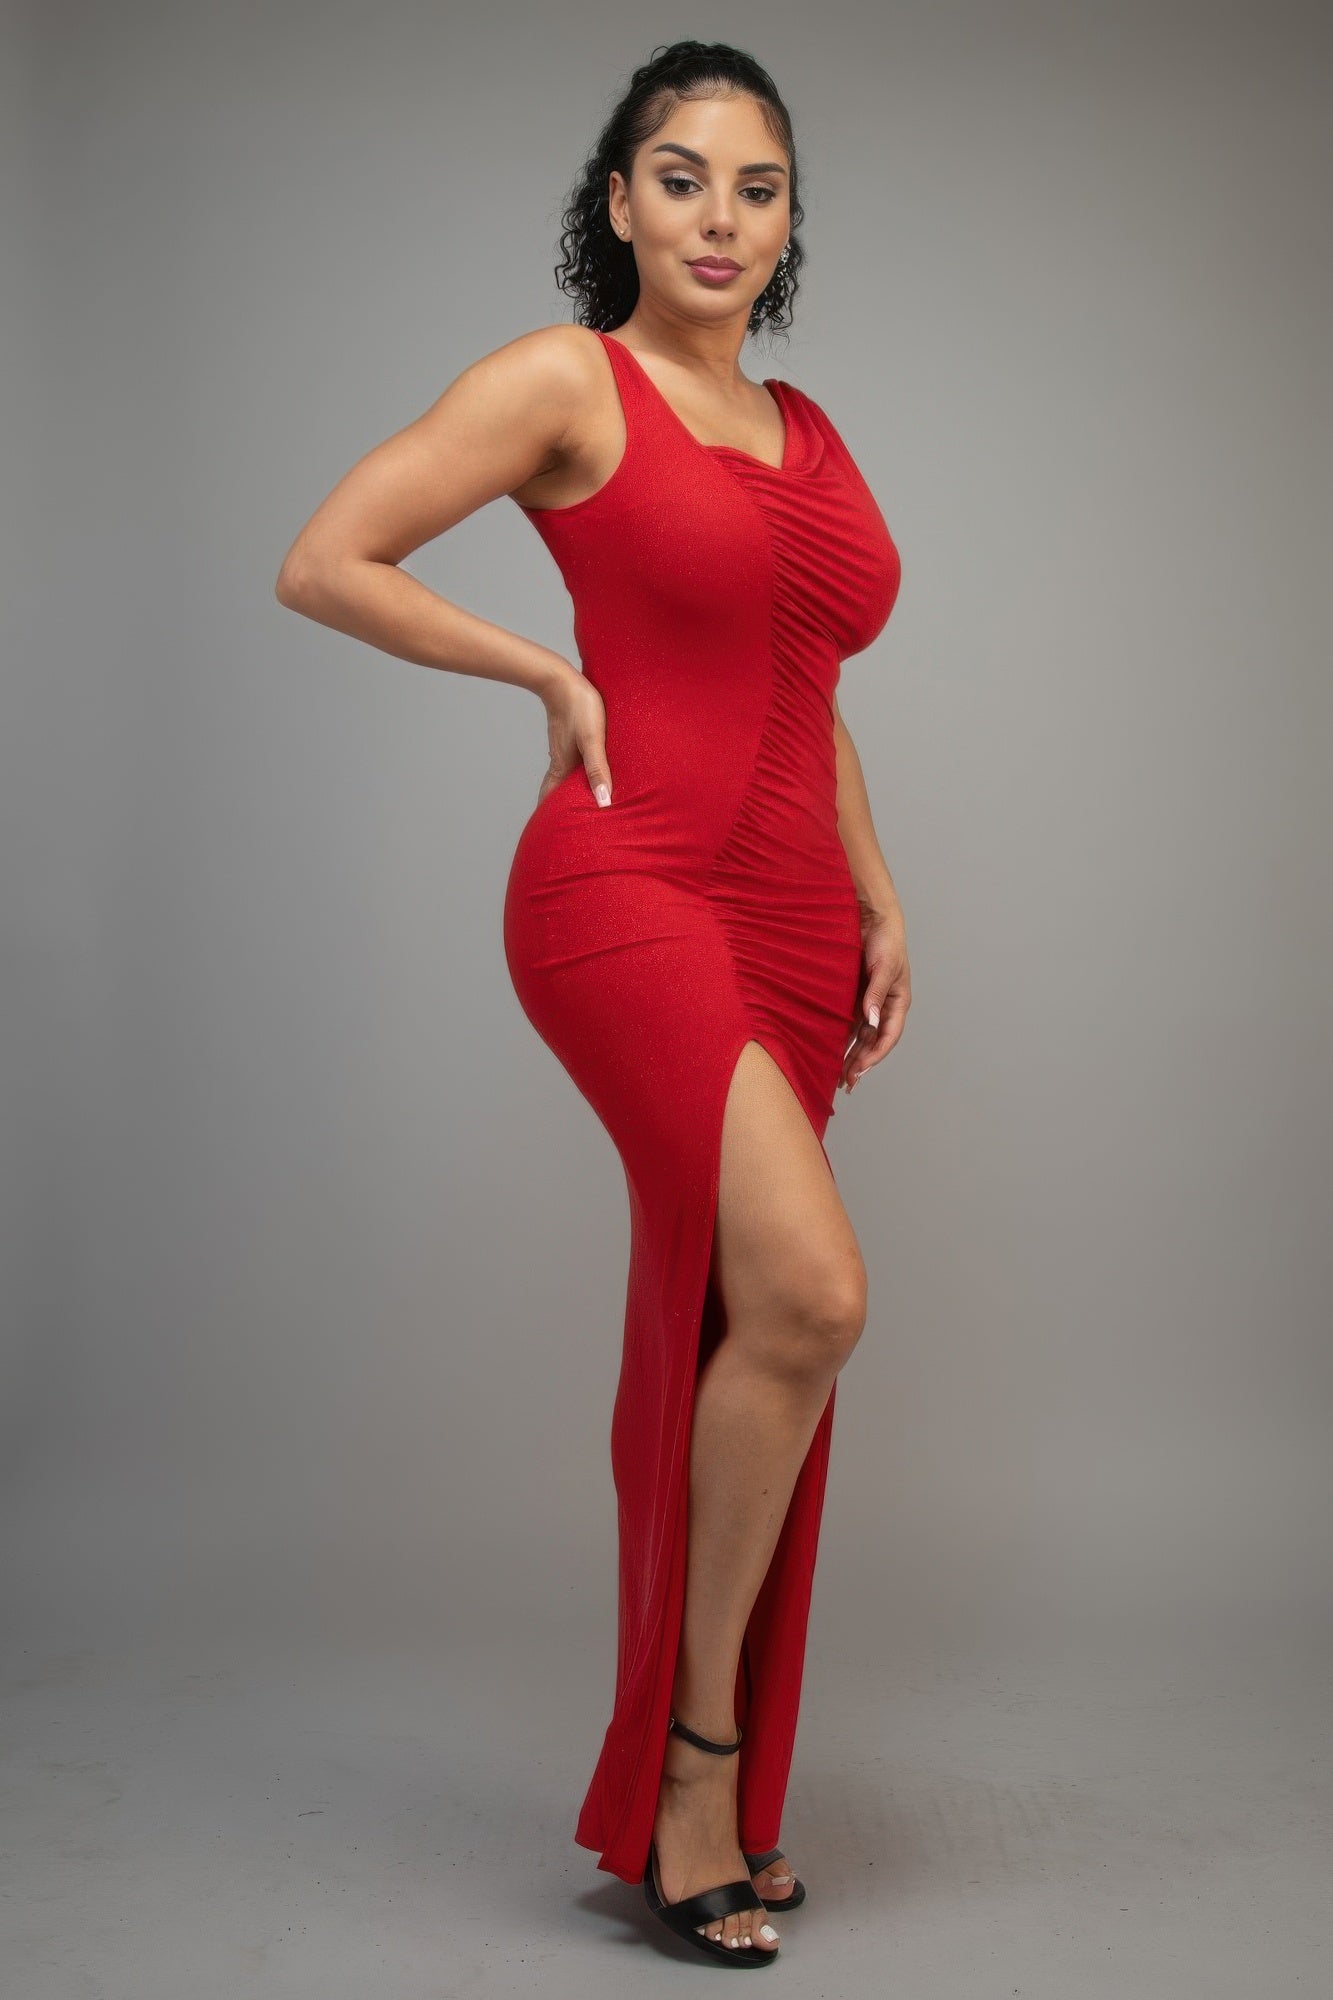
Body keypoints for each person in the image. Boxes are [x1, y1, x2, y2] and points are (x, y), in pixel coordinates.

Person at [276, 37, 908, 1970]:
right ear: (618, 200)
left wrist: (880, 893)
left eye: (757, 187)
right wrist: (545, 676)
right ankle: (694, 1773)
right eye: (681, 177)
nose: (720, 217)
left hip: (792, 914)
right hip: (624, 888)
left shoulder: (802, 424)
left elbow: (805, 685)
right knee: (810, 1294)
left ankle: (699, 1785)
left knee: (743, 1321)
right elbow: (327, 558)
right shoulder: (568, 381)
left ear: (787, 221)